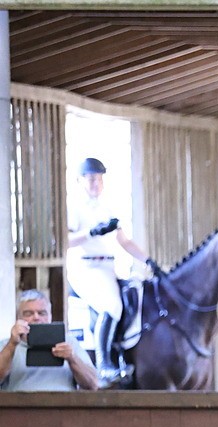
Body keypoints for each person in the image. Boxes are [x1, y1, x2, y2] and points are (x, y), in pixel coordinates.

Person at [65, 157, 155, 387]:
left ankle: (122, 355)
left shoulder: (107, 208)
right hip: (85, 267)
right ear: (81, 180)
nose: (97, 183)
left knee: (133, 295)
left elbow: (124, 241)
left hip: (107, 267)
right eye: (92, 179)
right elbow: (65, 240)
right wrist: (92, 233)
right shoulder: (74, 207)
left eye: (100, 179)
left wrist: (148, 261)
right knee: (112, 305)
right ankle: (104, 364)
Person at [1, 290, 99, 391]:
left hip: (64, 404)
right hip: (19, 405)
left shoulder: (68, 342)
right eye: (28, 313)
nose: (36, 317)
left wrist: (72, 358)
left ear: (50, 317)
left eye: (42, 313)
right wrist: (12, 345)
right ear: (18, 318)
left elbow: (92, 384)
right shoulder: (7, 345)